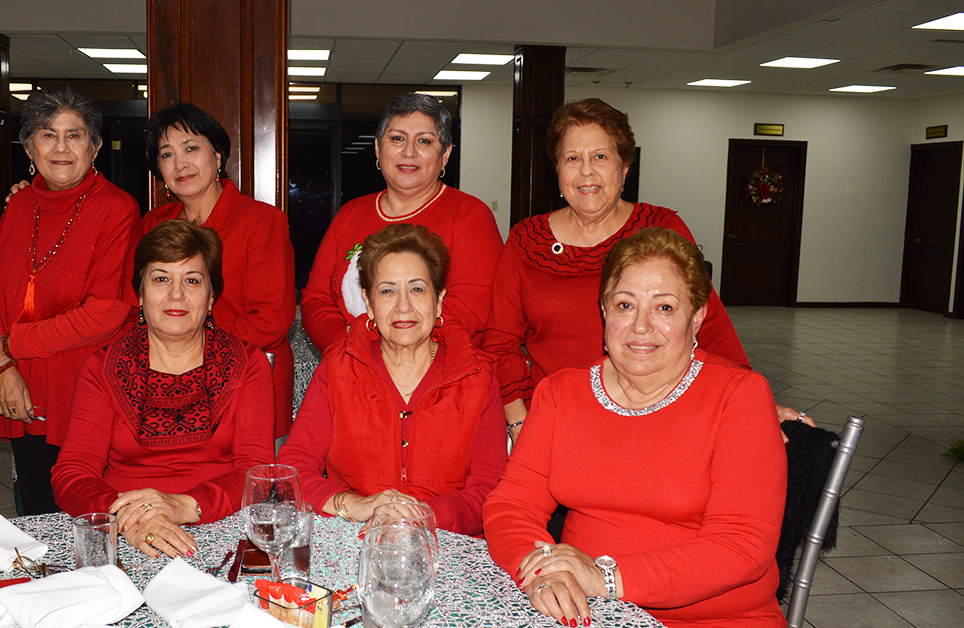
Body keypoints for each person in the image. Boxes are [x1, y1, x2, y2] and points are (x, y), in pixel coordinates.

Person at [483, 227, 787, 628]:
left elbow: (743, 547)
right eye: (625, 305)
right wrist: (544, 571)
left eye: (664, 308)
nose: (641, 326)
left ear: (697, 317)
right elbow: (512, 506)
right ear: (605, 311)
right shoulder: (561, 393)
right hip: (589, 612)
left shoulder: (740, 397)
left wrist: (606, 576)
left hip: (716, 619)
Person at [482, 98, 810, 444]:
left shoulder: (661, 229)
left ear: (625, 167)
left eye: (601, 157)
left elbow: (707, 323)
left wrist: (753, 398)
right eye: (572, 158)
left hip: (656, 417)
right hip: (555, 422)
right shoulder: (525, 241)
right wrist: (520, 424)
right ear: (558, 170)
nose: (587, 172)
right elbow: (500, 344)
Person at [51, 220, 275, 558]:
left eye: (192, 280)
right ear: (140, 293)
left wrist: (184, 505)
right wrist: (128, 516)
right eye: (160, 279)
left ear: (211, 296)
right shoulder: (103, 367)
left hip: (220, 529)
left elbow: (255, 472)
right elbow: (72, 473)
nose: (176, 294)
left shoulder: (247, 364)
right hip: (126, 533)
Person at [0, 82, 141, 515]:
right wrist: (5, 367)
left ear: (96, 146)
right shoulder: (18, 205)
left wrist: (9, 347)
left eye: (75, 134)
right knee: (36, 514)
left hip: (88, 390)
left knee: (93, 521)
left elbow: (107, 312)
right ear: (29, 148)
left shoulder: (117, 209)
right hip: (20, 387)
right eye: (48, 134)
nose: (61, 147)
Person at [278, 224, 507, 536]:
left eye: (417, 289)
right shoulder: (337, 369)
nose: (403, 306)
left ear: (438, 300)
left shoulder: (477, 376)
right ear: (369, 303)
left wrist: (419, 515)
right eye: (387, 291)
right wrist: (351, 504)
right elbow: (295, 470)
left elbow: (489, 491)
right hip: (353, 542)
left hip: (446, 548)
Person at [302, 93, 502, 353]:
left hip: (437, 373)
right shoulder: (350, 214)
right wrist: (348, 346)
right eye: (397, 138)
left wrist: (380, 350)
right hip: (348, 365)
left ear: (445, 154)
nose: (409, 152)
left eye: (424, 141)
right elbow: (315, 299)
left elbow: (469, 310)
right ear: (377, 148)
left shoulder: (470, 215)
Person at [142, 103, 297, 437]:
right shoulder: (153, 224)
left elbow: (271, 320)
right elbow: (138, 304)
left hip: (248, 385)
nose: (180, 164)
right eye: (166, 154)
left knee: (249, 488)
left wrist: (191, 349)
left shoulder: (262, 222)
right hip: (170, 389)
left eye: (191, 148)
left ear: (217, 156)